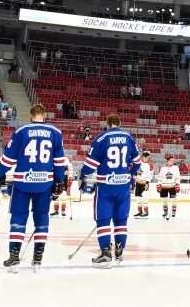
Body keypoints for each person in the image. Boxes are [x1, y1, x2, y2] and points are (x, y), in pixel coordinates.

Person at [0, 104, 67, 271]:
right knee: (41, 219)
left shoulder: (21, 131)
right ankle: (37, 259)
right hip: (45, 183)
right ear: (44, 115)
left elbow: (8, 159)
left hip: (22, 183)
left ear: (30, 115)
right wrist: (59, 181)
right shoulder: (56, 133)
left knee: (18, 218)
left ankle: (14, 257)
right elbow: (59, 162)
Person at [81, 113, 140, 266]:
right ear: (119, 123)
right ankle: (119, 251)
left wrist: (83, 178)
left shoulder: (101, 138)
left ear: (107, 123)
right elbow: (137, 162)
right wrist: (130, 174)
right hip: (123, 186)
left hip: (106, 186)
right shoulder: (128, 138)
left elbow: (89, 165)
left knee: (103, 219)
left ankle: (106, 253)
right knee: (121, 219)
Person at [157, 155, 181, 220]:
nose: (172, 162)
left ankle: (173, 211)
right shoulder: (163, 168)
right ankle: (165, 211)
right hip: (164, 186)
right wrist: (159, 184)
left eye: (173, 160)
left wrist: (177, 184)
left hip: (172, 186)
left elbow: (178, 176)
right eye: (171, 160)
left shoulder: (175, 168)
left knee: (173, 200)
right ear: (167, 161)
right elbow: (160, 177)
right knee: (164, 200)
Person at [134, 151, 154, 218]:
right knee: (138, 198)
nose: (147, 158)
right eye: (146, 157)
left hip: (144, 183)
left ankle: (146, 213)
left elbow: (150, 175)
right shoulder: (139, 163)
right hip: (138, 183)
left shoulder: (150, 165)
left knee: (144, 198)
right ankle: (140, 212)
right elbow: (136, 172)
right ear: (143, 157)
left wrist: (147, 183)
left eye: (148, 157)